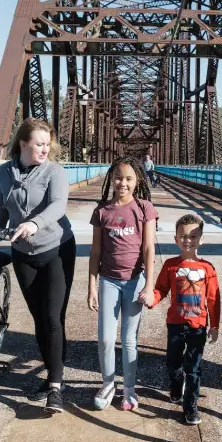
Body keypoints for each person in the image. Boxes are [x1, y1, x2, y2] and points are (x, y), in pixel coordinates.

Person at [0, 117, 76, 414]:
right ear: (23, 143)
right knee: (39, 318)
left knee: (52, 317)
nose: (45, 149)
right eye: (39, 144)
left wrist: (34, 223)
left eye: (48, 144)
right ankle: (50, 377)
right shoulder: (4, 173)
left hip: (57, 249)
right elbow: (0, 211)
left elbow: (58, 205)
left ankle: (56, 387)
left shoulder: (54, 172)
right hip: (23, 254)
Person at [88, 155, 156, 411]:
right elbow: (95, 252)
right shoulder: (102, 211)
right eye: (118, 178)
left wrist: (149, 285)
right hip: (108, 280)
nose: (122, 183)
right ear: (111, 179)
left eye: (128, 178)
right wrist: (91, 286)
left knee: (129, 340)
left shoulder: (144, 208)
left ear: (137, 180)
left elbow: (149, 248)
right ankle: (107, 384)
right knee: (105, 339)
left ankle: (129, 388)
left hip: (135, 281)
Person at [144, 213, 220, 425]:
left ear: (201, 239)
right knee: (173, 363)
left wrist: (214, 325)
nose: (188, 240)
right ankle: (176, 384)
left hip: (198, 326)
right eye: (184, 236)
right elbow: (160, 289)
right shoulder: (170, 265)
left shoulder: (208, 269)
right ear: (176, 239)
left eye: (194, 236)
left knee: (193, 369)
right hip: (175, 325)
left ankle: (191, 406)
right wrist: (152, 299)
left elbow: (213, 299)